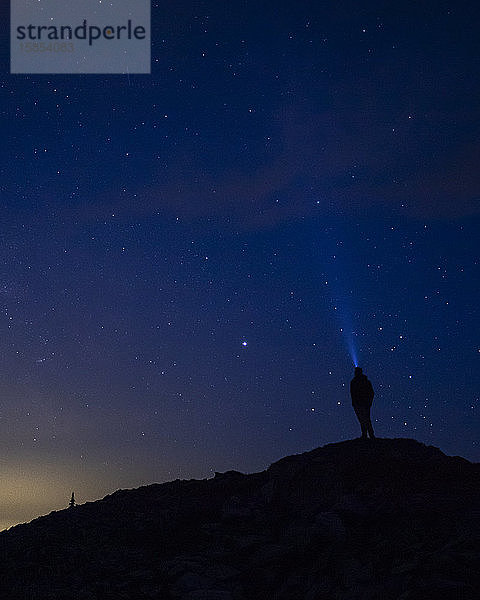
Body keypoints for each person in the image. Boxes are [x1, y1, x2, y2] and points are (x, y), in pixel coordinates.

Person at [350, 366, 375, 439]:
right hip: (359, 404)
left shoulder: (364, 382)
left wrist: (369, 402)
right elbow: (352, 393)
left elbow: (371, 393)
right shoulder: (354, 382)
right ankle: (366, 434)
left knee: (365, 418)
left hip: (364, 403)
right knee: (362, 419)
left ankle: (369, 434)